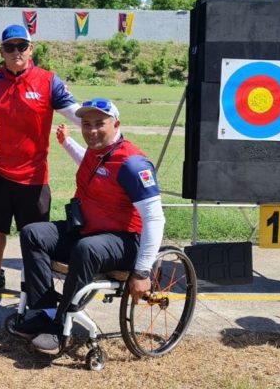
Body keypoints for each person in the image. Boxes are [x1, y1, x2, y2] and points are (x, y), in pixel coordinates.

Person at [12, 98, 166, 354]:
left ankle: (60, 327)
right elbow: (89, 162)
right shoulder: (98, 153)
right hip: (89, 232)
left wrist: (142, 272)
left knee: (87, 248)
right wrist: (66, 142)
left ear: (116, 124)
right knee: (33, 232)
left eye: (99, 124)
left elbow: (155, 218)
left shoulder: (133, 164)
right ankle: (46, 311)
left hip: (126, 241)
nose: (92, 130)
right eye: (86, 124)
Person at [0, 24, 82, 298]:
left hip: (34, 176)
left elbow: (77, 114)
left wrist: (103, 123)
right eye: (10, 47)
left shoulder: (49, 81)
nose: (16, 52)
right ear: (1, 51)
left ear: (31, 49)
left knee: (36, 236)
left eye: (21, 46)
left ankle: (35, 285)